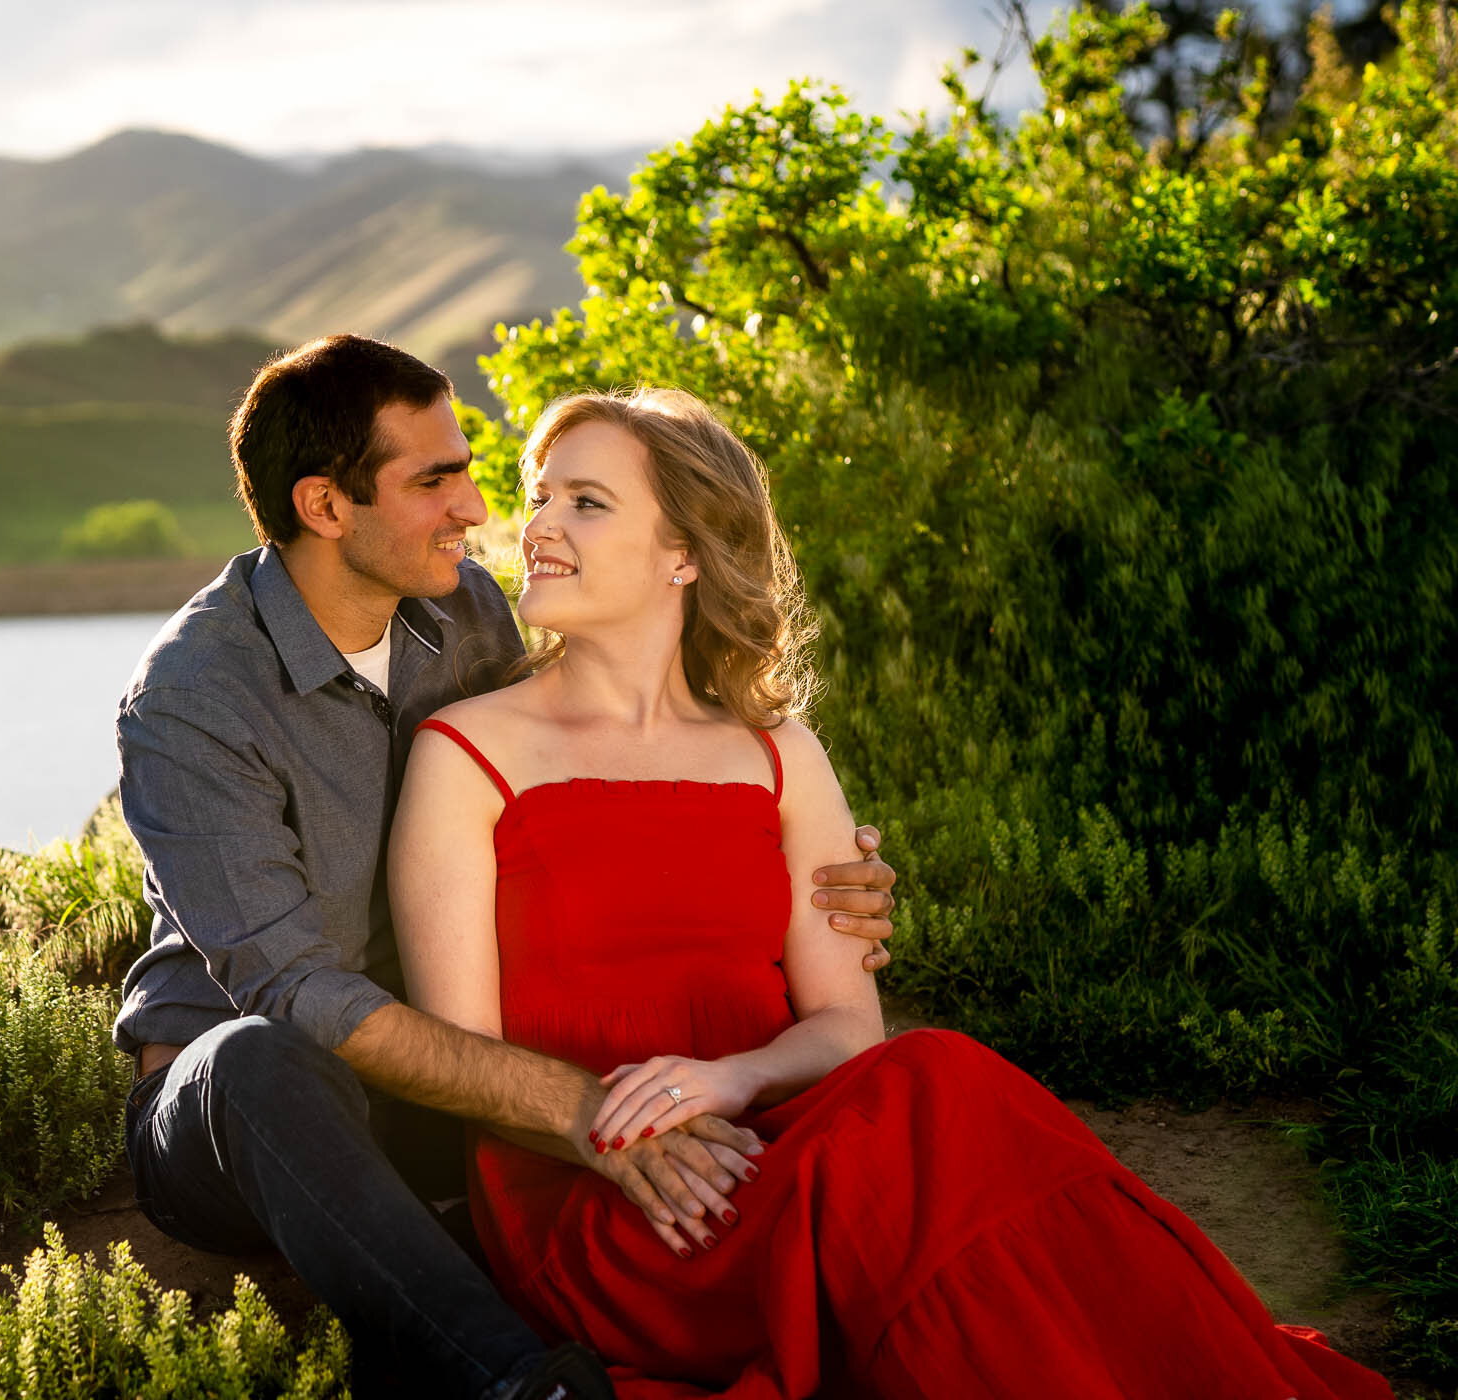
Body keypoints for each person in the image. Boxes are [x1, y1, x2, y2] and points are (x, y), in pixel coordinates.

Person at [388, 387, 1392, 1400]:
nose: (541, 527)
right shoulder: (469, 752)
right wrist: (619, 1128)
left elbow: (843, 1029)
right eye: (540, 495)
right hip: (614, 1196)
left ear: (684, 552)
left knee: (934, 1086)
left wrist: (730, 1077)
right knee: (928, 1106)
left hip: (778, 1147)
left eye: (587, 503)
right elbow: (461, 1061)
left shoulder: (781, 757)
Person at [111, 336, 899, 1400]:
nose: (480, 510)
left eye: (474, 471)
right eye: (436, 480)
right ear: (327, 507)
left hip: (445, 1073)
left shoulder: (466, 609)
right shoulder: (195, 696)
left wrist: (805, 872)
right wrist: (573, 1109)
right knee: (262, 1060)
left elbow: (587, 781)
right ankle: (523, 1383)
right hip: (247, 1111)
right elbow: (301, 993)